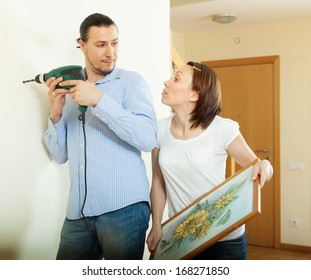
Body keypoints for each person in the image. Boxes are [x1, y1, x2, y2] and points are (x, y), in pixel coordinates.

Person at [43, 13, 157, 260]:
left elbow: (148, 139)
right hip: (77, 215)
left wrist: (99, 101)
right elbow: (59, 155)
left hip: (124, 211)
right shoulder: (70, 88)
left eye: (115, 43)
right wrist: (55, 113)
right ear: (82, 45)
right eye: (101, 44)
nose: (111, 53)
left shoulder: (131, 83)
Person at [146, 61, 273, 260]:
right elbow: (158, 183)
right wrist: (156, 227)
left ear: (194, 95)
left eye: (176, 78)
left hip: (224, 237)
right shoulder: (158, 130)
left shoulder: (222, 128)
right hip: (183, 237)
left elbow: (257, 165)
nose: (167, 82)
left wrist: (265, 165)